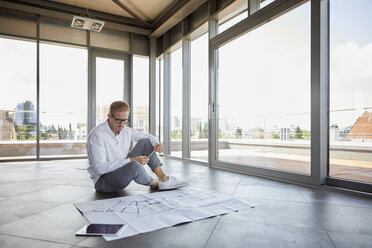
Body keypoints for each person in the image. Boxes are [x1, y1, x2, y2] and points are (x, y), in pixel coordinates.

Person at [86, 101, 186, 192]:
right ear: (109, 116)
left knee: (146, 142)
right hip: (104, 182)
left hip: (121, 172)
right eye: (118, 120)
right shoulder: (97, 135)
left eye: (125, 121)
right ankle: (154, 184)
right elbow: (100, 168)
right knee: (134, 165)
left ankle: (164, 179)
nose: (121, 125)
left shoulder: (126, 130)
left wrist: (156, 144)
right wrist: (131, 160)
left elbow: (148, 137)